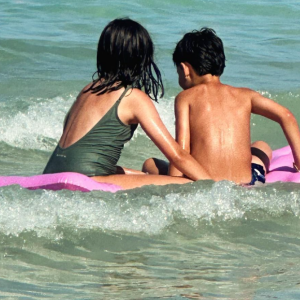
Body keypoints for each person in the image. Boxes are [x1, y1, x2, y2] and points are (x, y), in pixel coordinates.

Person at [43, 18, 210, 189]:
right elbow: (177, 156)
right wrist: (217, 186)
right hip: (87, 178)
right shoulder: (132, 97)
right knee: (186, 184)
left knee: (144, 175)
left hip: (52, 174)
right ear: (139, 58)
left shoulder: (87, 90)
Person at [143, 27, 300, 185]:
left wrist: (175, 181)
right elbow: (286, 116)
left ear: (185, 69)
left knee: (150, 163)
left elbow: (182, 151)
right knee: (261, 145)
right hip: (248, 182)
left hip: (204, 181)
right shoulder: (245, 95)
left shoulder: (185, 98)